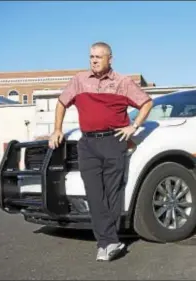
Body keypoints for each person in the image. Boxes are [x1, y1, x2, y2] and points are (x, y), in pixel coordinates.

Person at [48, 42, 153, 261]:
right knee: (94, 194)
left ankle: (107, 243)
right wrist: (57, 130)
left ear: (110, 59)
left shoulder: (123, 82)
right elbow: (61, 103)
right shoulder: (79, 80)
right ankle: (109, 241)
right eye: (91, 57)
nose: (94, 60)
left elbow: (146, 103)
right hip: (88, 144)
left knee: (112, 193)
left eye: (98, 57)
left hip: (114, 141)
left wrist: (133, 127)